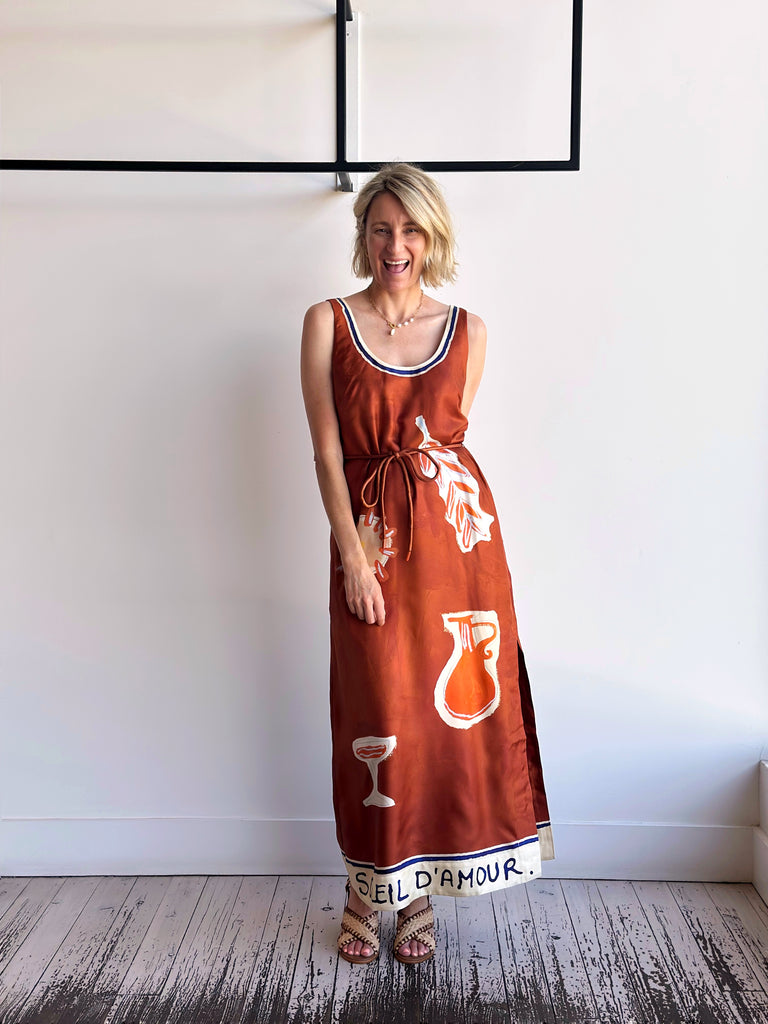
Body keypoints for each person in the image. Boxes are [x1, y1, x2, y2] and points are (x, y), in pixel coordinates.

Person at [300, 163, 553, 966]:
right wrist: (352, 556)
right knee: (377, 716)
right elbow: (328, 452)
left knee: (439, 722)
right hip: (372, 546)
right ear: (363, 235)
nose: (395, 245)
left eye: (410, 229)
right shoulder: (327, 322)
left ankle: (416, 894)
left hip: (457, 553)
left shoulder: (468, 330)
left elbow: (448, 445)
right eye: (381, 228)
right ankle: (363, 887)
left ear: (431, 236)